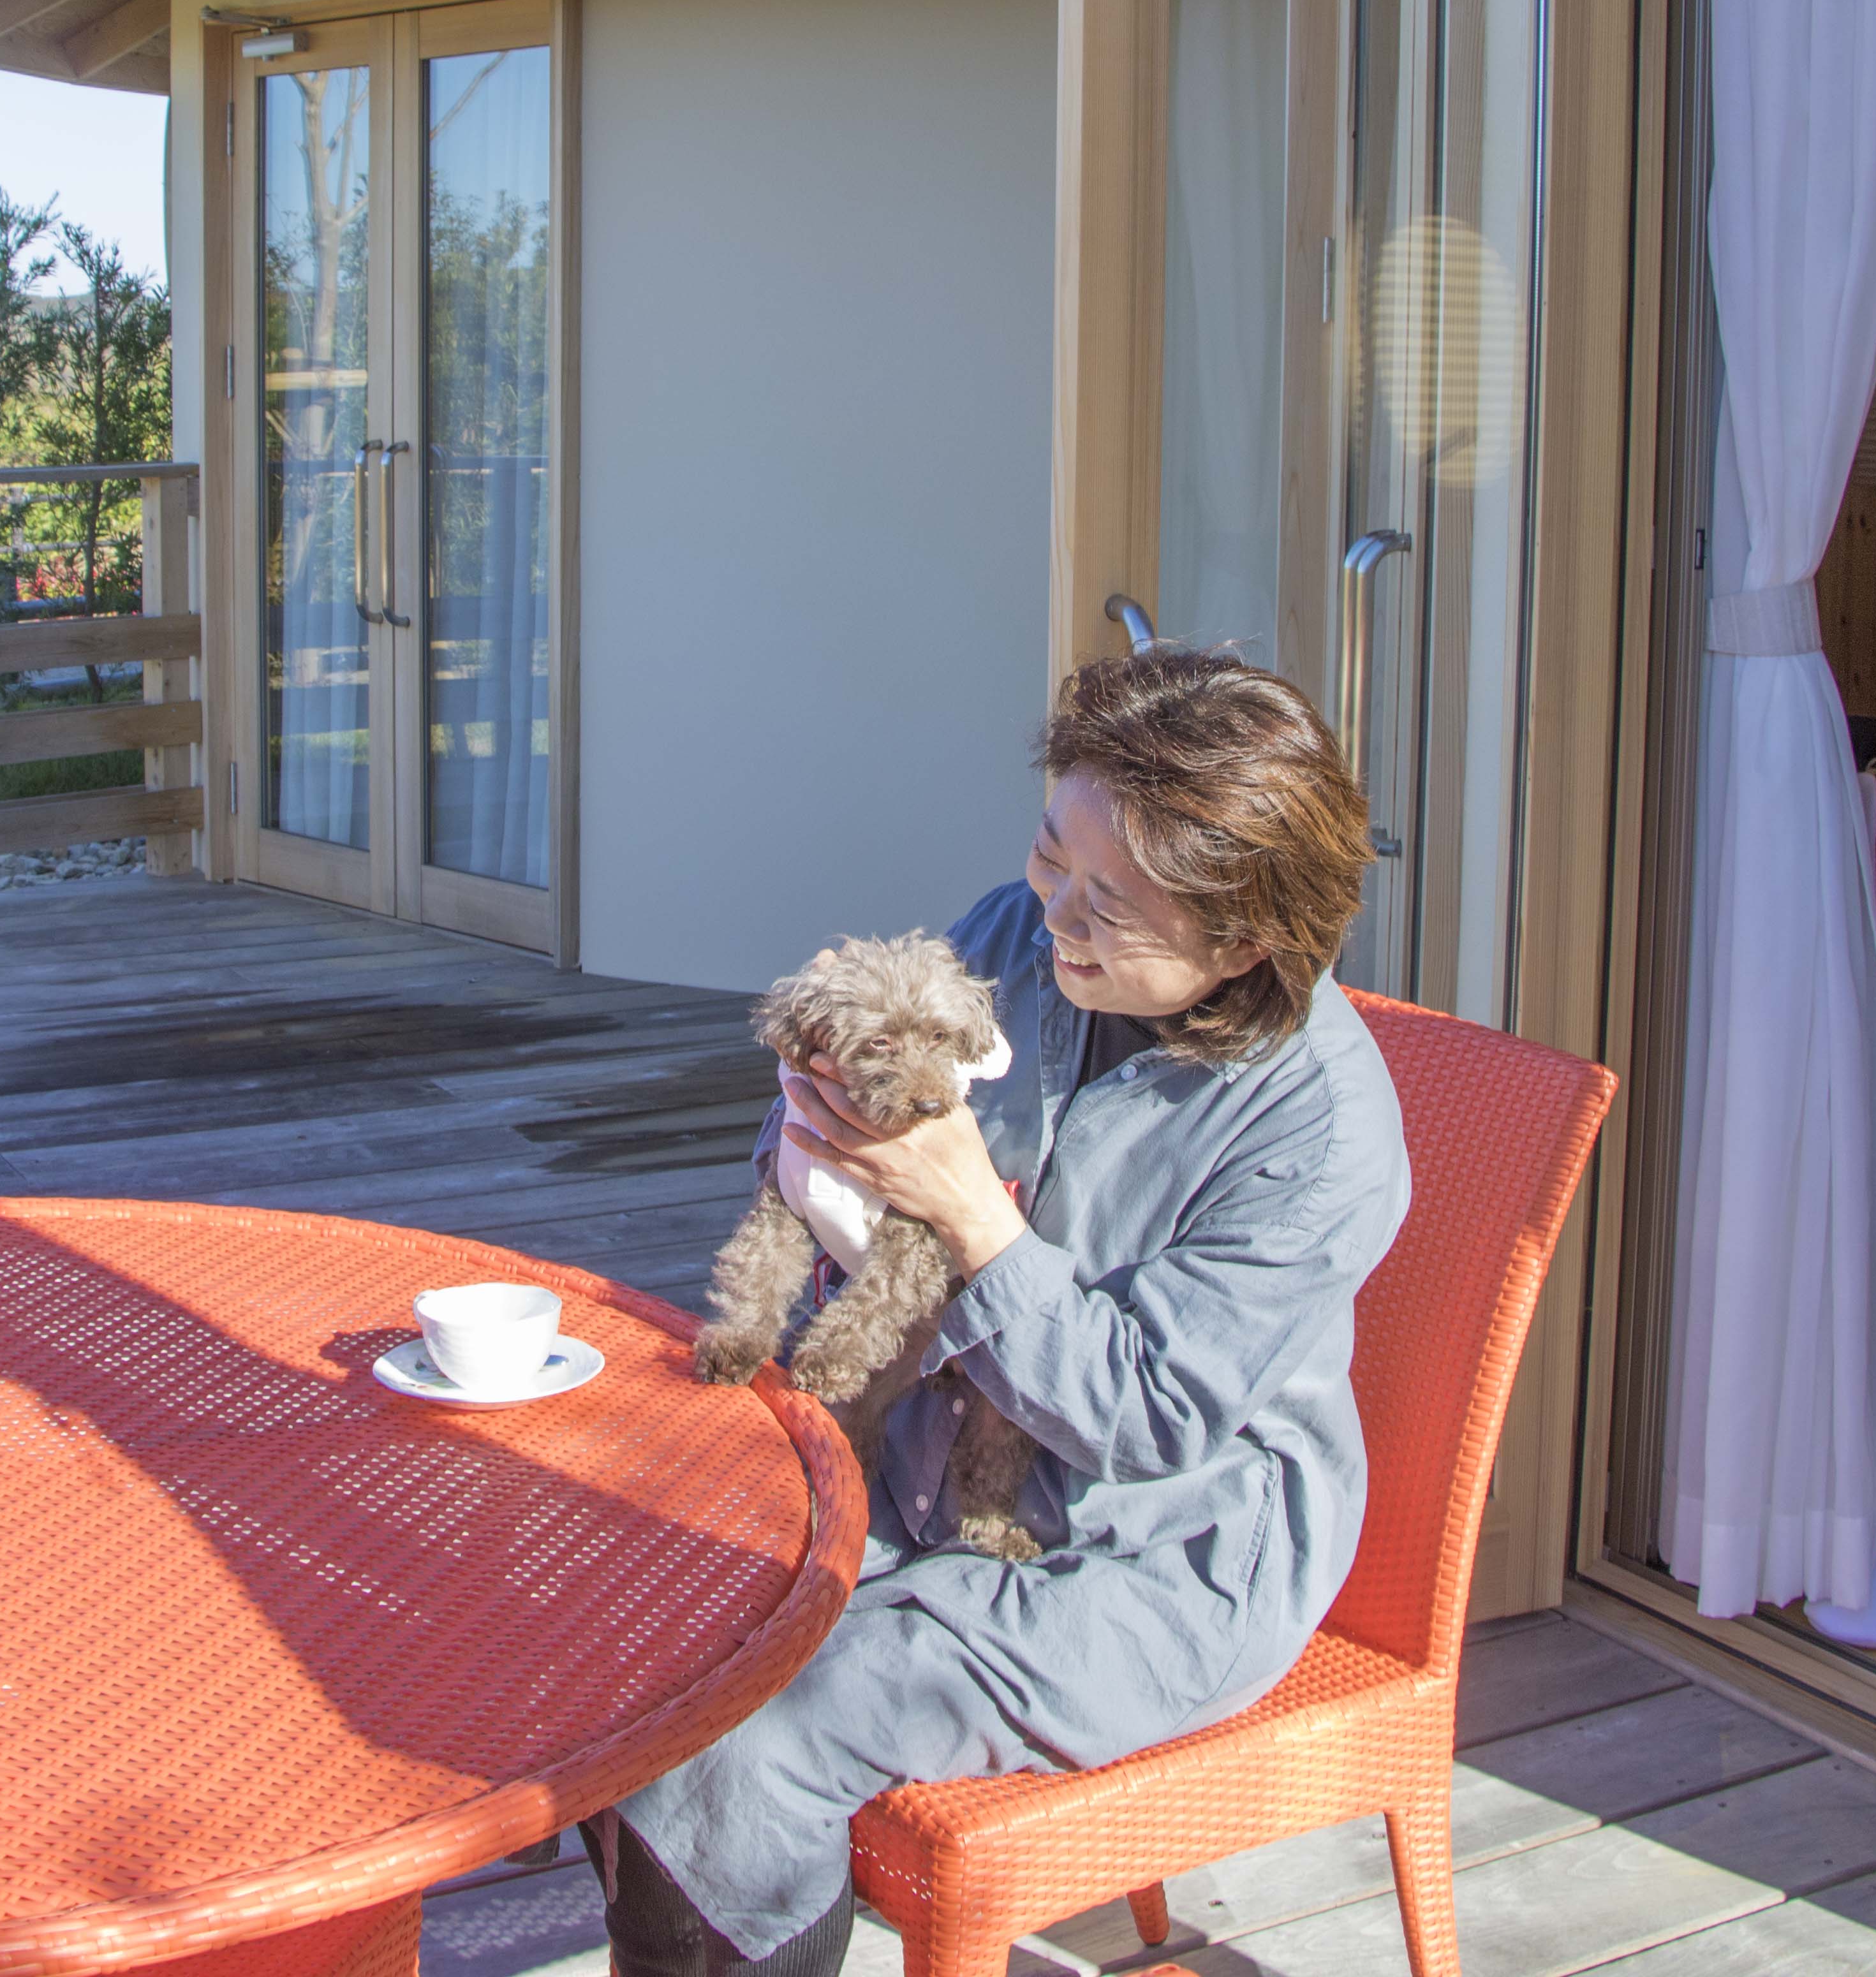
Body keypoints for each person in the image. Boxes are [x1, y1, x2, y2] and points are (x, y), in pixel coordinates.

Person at [603, 646, 1411, 1977]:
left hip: (1147, 1553)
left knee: (763, 1726)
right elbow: (813, 1148)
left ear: (1248, 936)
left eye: (1113, 903)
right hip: (921, 1465)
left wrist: (978, 1218)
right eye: (1052, 853)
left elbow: (1153, 1415)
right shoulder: (1011, 935)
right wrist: (816, 1133)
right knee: (648, 1621)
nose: (1056, 917)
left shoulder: (1319, 1128)